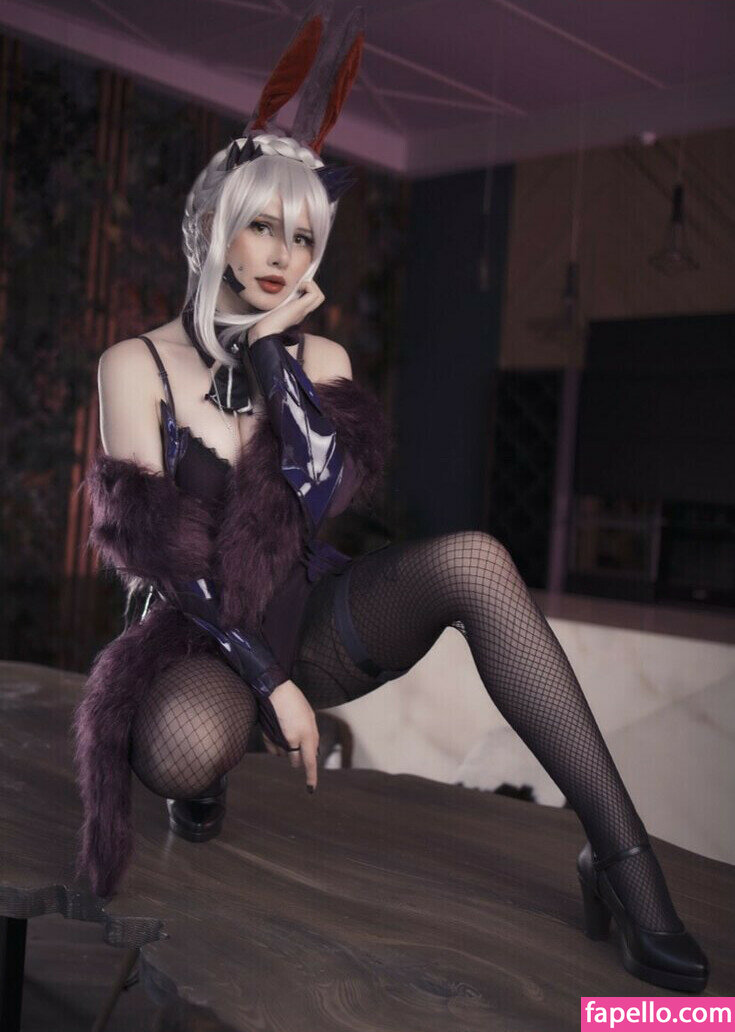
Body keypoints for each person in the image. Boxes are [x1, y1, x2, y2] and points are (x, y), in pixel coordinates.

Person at [72, 0, 709, 994]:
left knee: (477, 561)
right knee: (184, 751)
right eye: (262, 226)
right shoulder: (133, 365)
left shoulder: (318, 356)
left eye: (303, 236)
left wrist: (273, 358)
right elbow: (157, 553)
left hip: (309, 614)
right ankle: (201, 790)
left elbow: (318, 496)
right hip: (203, 636)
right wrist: (269, 683)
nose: (283, 254)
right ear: (215, 230)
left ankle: (622, 859)